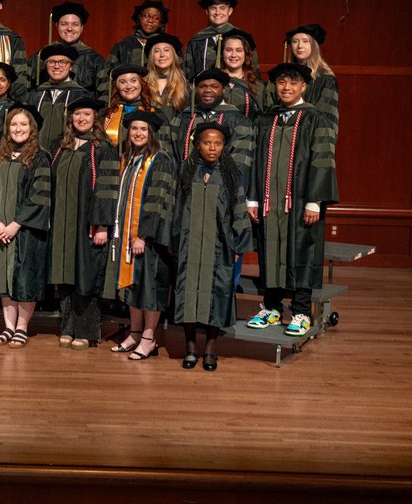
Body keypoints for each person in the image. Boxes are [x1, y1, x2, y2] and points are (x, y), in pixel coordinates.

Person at [247, 63, 339, 337]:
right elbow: (253, 162)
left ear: (304, 87)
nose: (286, 87)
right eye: (281, 82)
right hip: (268, 201)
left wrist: (315, 201)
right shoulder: (266, 119)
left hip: (301, 201)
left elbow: (323, 160)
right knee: (270, 250)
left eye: (293, 82)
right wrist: (252, 198)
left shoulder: (315, 119)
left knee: (302, 252)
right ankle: (272, 308)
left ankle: (300, 312)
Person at [173, 122, 252, 372]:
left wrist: (238, 243)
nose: (212, 148)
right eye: (207, 142)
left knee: (217, 296)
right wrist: (174, 241)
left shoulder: (230, 176)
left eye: (217, 143)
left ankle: (210, 348)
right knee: (188, 294)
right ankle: (190, 347)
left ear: (224, 146)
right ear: (198, 144)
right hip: (189, 245)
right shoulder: (187, 172)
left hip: (220, 247)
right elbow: (176, 210)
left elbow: (239, 211)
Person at [48, 96, 119, 350]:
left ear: (95, 118)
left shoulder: (103, 149)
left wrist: (101, 225)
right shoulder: (60, 145)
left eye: (87, 115)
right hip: (61, 223)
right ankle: (67, 327)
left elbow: (107, 189)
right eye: (77, 114)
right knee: (65, 274)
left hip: (87, 223)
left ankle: (87, 331)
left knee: (85, 275)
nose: (81, 119)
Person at [105, 110, 176, 362]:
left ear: (152, 133)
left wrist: (143, 236)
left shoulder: (161, 160)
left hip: (150, 239)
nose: (137, 133)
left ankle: (149, 337)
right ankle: (135, 333)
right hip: (126, 235)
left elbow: (159, 201)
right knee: (133, 286)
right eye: (134, 128)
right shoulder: (129, 159)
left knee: (149, 288)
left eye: (143, 129)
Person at [0, 104, 51, 348]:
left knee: (25, 277)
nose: (18, 128)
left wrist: (15, 224)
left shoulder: (39, 157)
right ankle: (8, 326)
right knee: (4, 277)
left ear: (32, 128)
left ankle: (22, 327)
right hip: (1, 227)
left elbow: (40, 196)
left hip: (26, 230)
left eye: (23, 124)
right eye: (14, 124)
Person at [167, 69, 255, 191]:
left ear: (223, 90)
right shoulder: (182, 119)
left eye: (214, 86)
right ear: (196, 89)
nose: (208, 90)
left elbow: (240, 163)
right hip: (184, 191)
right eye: (202, 86)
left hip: (222, 194)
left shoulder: (238, 121)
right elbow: (171, 157)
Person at [27, 1, 107, 93]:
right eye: (64, 24)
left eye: (75, 24)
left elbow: (104, 95)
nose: (69, 28)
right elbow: (27, 90)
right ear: (57, 26)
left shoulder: (95, 60)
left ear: (81, 28)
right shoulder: (39, 57)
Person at [25, 44, 87, 152]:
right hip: (36, 153)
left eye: (63, 62)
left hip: (65, 154)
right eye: (51, 62)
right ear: (46, 65)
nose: (57, 66)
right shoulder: (36, 95)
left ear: (71, 66)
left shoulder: (80, 96)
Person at [184, 0, 257, 78]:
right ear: (207, 11)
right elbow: (188, 73)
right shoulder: (197, 40)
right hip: (205, 89)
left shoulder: (243, 38)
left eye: (222, 8)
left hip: (237, 89)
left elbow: (254, 70)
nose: (217, 12)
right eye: (213, 8)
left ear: (230, 11)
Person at [284, 24, 339, 135]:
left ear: (314, 45)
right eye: (295, 41)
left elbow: (326, 120)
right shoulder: (283, 77)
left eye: (305, 41)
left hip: (310, 139)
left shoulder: (326, 80)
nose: (300, 46)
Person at [108, 0, 171, 77]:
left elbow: (178, 73)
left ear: (161, 23)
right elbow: (111, 74)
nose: (150, 20)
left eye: (156, 18)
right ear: (139, 19)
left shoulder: (169, 46)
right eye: (146, 16)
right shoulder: (123, 45)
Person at [103, 65, 155, 151]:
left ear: (141, 83)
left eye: (134, 81)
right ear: (117, 86)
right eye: (123, 82)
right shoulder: (107, 114)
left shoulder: (153, 113)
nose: (129, 86)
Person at [220, 28, 264, 120]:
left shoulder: (259, 87)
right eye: (229, 50)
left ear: (246, 54)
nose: (233, 55)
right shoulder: (212, 83)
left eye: (239, 50)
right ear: (222, 53)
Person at [145, 33, 188, 112]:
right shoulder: (142, 85)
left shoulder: (186, 87)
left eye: (166, 50)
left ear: (174, 55)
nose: (162, 55)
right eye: (157, 51)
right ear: (151, 56)